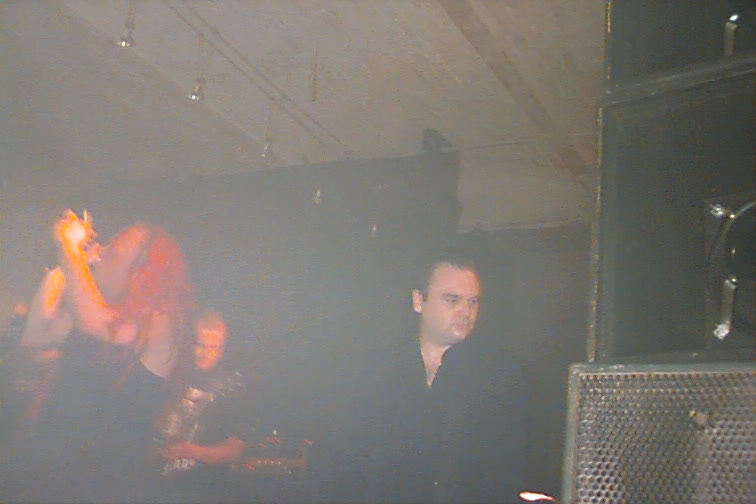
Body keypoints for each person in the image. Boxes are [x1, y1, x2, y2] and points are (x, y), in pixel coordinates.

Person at [2, 209, 196, 502]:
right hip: (52, 460)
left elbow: (93, 321)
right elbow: (37, 335)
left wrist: (70, 248)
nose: (102, 252)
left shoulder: (163, 318)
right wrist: (64, 265)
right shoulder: (97, 307)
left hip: (101, 479)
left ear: (143, 269)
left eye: (115, 250)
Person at [351, 250, 527, 503]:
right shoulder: (378, 370)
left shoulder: (500, 376)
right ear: (418, 301)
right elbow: (356, 459)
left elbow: (507, 470)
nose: (466, 312)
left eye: (473, 302)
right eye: (452, 300)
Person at [152, 308, 251, 502]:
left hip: (203, 491)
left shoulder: (232, 387)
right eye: (201, 345)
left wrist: (189, 451)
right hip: (156, 487)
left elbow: (235, 450)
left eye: (215, 348)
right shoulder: (170, 373)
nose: (206, 354)